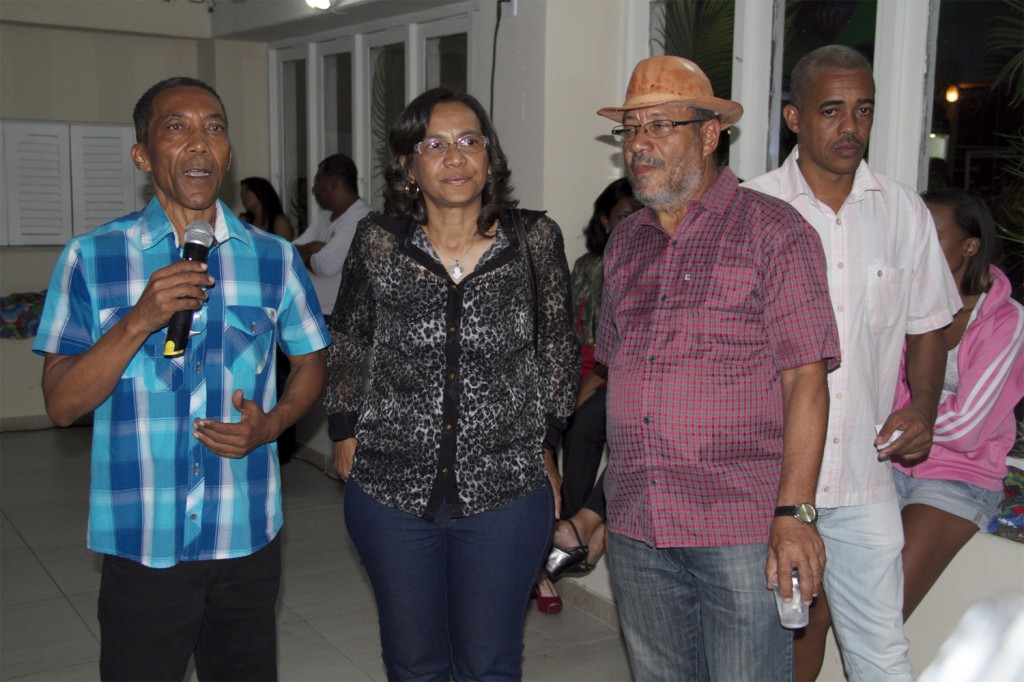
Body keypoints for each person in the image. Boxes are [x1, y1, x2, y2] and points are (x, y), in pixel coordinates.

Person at [32, 76, 330, 681]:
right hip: (144, 538)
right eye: (177, 128)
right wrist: (137, 320)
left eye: (214, 128)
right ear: (142, 155)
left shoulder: (273, 258)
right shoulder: (91, 257)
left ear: (228, 152)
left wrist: (272, 424)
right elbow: (61, 405)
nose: (200, 143)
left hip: (245, 534)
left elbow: (310, 361)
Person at [595, 55, 841, 681]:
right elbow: (617, 377)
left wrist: (795, 515)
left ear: (709, 135)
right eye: (631, 129)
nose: (640, 144)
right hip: (639, 524)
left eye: (660, 126)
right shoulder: (625, 243)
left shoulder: (775, 232)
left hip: (738, 528)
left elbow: (806, 379)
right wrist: (599, 506)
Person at [323, 87, 579, 680]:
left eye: (469, 141)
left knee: (489, 664)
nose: (455, 157)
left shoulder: (533, 241)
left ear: (490, 157)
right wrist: (343, 426)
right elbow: (350, 334)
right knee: (414, 662)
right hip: (390, 489)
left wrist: (547, 442)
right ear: (409, 166)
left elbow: (557, 348)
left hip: (505, 490)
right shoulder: (380, 241)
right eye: (434, 145)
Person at [743, 45, 962, 681]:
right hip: (766, 481)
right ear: (794, 118)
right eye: (831, 110)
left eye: (863, 110)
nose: (850, 126)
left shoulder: (903, 211)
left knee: (881, 654)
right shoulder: (751, 210)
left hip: (865, 480)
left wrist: (923, 407)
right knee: (755, 652)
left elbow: (928, 324)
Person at [893, 189, 1024, 620]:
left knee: (885, 607)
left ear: (970, 246)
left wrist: (898, 421)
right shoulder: (900, 302)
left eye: (932, 234)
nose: (918, 245)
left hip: (959, 477)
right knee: (816, 597)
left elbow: (969, 429)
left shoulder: (1006, 320)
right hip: (886, 465)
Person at [535, 178, 640, 613]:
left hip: (614, 376)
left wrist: (580, 392)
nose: (633, 224)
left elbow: (612, 358)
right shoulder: (587, 265)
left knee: (586, 426)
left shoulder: (644, 263)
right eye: (623, 217)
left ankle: (576, 530)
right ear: (605, 221)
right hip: (580, 370)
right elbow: (565, 339)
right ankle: (563, 537)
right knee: (535, 432)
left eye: (639, 215)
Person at [240, 176, 299, 461]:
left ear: (260, 194)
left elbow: (284, 262)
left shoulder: (279, 222)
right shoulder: (244, 221)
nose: (244, 198)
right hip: (251, 303)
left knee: (283, 378)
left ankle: (283, 443)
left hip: (275, 303)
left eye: (247, 192)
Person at [292, 153, 372, 315]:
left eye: (317, 180)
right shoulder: (324, 217)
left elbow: (326, 265)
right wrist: (313, 247)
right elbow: (290, 253)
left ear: (333, 182)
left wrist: (306, 254)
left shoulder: (361, 217)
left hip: (340, 317)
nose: (313, 189)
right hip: (315, 313)